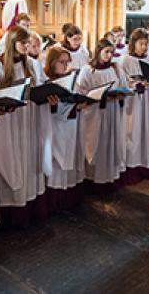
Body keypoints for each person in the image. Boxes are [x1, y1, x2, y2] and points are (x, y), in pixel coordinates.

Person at [0, 26, 52, 225]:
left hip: (28, 118)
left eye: (28, 42)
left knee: (28, 159)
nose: (27, 46)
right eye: (23, 43)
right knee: (9, 160)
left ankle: (30, 208)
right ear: (12, 42)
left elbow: (40, 87)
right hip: (8, 120)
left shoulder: (32, 63)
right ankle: (10, 213)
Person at [76, 39, 127, 188]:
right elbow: (81, 92)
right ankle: (93, 180)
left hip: (112, 112)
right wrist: (97, 96)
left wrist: (121, 95)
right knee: (96, 143)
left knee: (110, 142)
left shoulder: (116, 68)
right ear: (98, 51)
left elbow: (124, 86)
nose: (109, 55)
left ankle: (110, 177)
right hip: (95, 114)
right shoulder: (87, 70)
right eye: (106, 52)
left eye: (111, 52)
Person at [43, 47, 86, 210]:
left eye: (68, 62)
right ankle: (57, 201)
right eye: (62, 62)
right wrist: (54, 107)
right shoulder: (47, 83)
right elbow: (46, 111)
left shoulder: (71, 79)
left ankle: (72, 198)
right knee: (58, 163)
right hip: (56, 130)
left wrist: (81, 103)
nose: (66, 66)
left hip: (72, 127)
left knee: (72, 159)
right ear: (52, 63)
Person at [120, 28, 149, 183]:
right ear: (133, 44)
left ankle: (148, 164)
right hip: (135, 102)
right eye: (141, 44)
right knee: (135, 131)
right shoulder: (126, 60)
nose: (144, 47)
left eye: (146, 44)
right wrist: (135, 85)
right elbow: (123, 81)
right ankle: (134, 166)